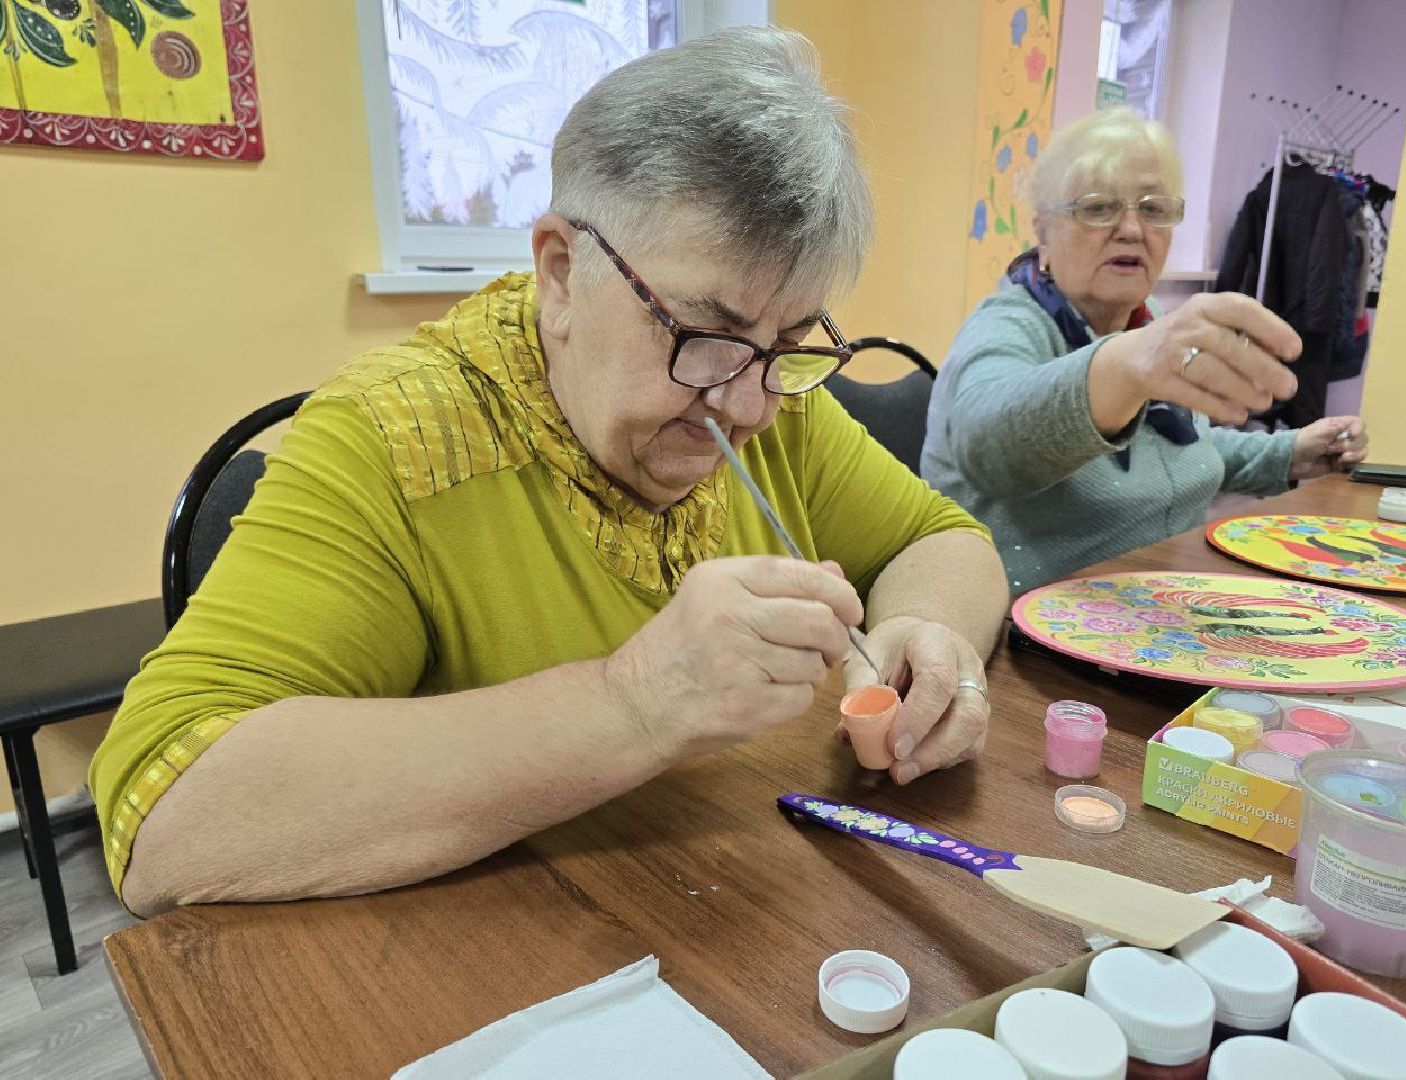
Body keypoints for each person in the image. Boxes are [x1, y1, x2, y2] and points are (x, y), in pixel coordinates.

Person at [92, 28, 1008, 917]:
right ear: (563, 273)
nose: (748, 407)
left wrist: (928, 634)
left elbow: (944, 539)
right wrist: (637, 701)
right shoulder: (394, 440)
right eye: (703, 334)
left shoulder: (775, 398)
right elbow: (161, 817)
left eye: (791, 342)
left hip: (734, 917)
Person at [921, 110, 1369, 595]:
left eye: (1154, 209)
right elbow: (985, 446)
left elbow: (1177, 451)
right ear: (1043, 234)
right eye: (1097, 208)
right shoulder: (1009, 323)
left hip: (1157, 601)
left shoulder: (1147, 318)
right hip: (1029, 631)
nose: (1132, 230)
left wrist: (1288, 453)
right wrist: (1125, 366)